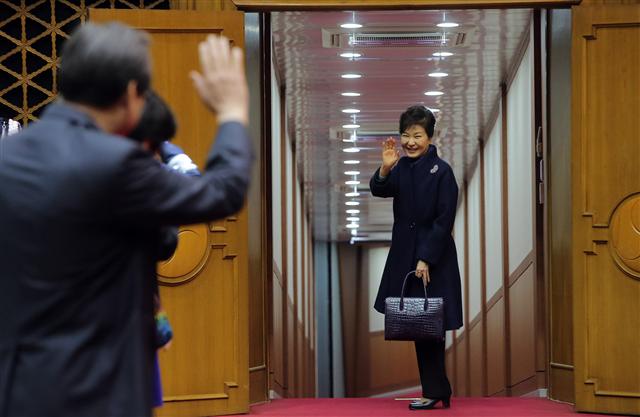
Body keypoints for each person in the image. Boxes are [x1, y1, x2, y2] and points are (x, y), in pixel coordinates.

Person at [0, 21, 252, 417]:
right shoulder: (117, 165)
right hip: (101, 390)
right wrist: (232, 113)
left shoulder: (8, 158)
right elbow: (223, 192)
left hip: (18, 388)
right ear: (132, 93)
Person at [370, 105, 463, 411]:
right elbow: (379, 190)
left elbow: (444, 218)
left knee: (430, 326)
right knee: (420, 324)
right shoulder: (403, 168)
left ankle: (436, 390)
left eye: (417, 135)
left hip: (433, 259)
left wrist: (425, 258)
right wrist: (385, 168)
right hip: (405, 256)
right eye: (406, 135)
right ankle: (437, 389)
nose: (410, 142)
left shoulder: (442, 171)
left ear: (430, 137)